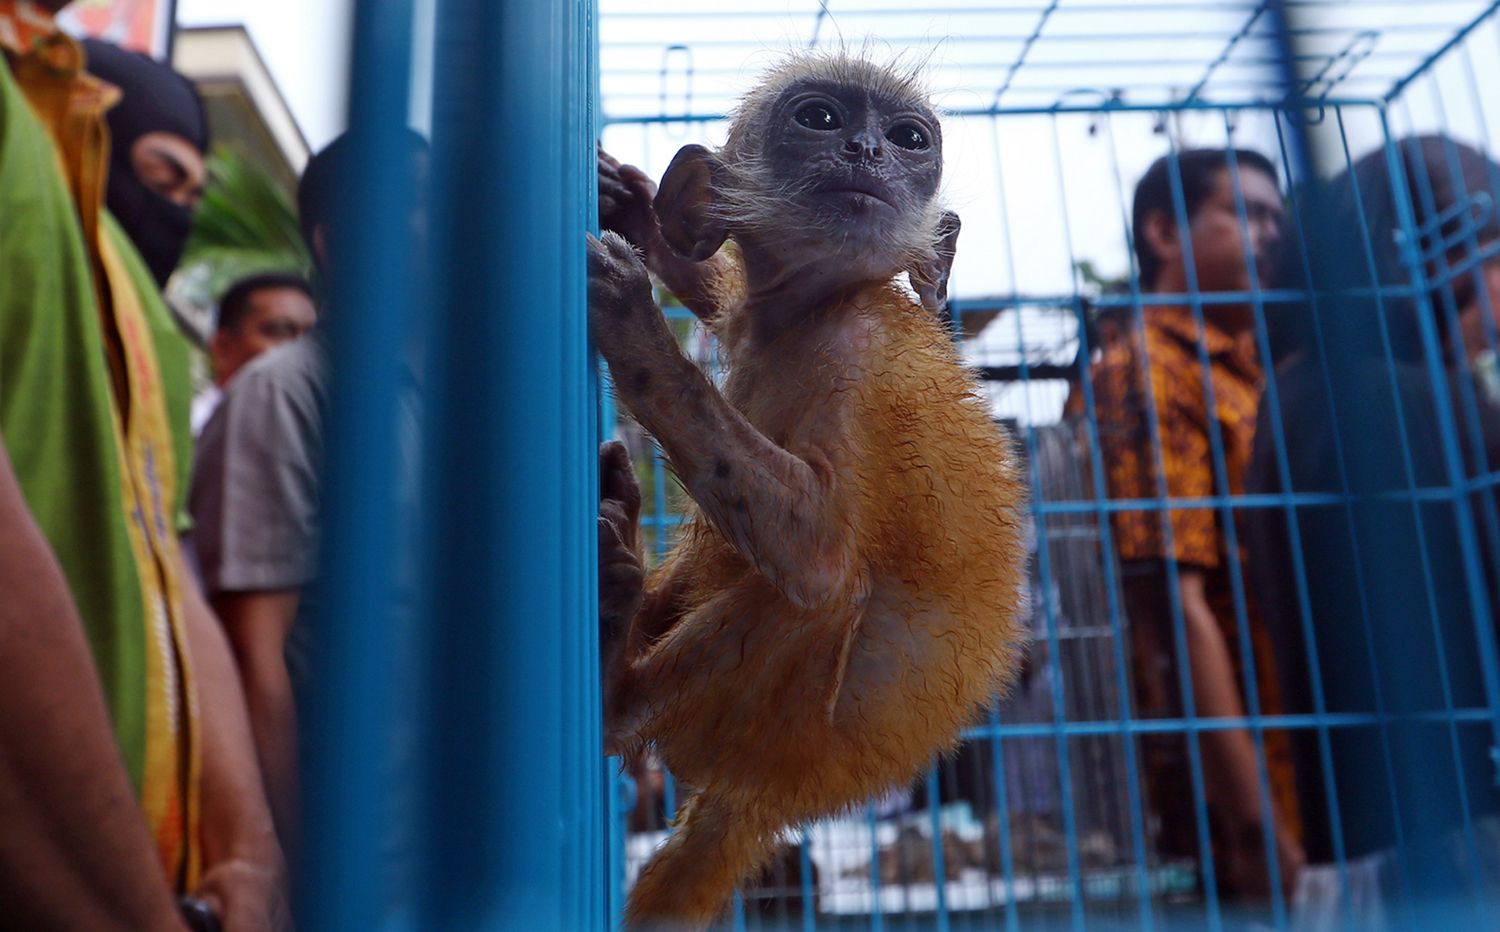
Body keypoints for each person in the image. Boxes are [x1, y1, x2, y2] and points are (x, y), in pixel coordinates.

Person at [0, 2, 285, 928]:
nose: (179, 215)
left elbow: (167, 561)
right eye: (161, 176)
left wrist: (248, 847)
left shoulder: (128, 282)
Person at [1246, 135, 1500, 923]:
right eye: (1487, 253)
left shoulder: (1293, 395)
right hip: (1459, 838)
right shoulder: (1413, 400)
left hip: (1357, 842)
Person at [188, 128, 427, 859]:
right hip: (350, 856)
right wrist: (303, 857)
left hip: (433, 848)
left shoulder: (426, 400)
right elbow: (249, 654)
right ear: (335, 244)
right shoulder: (281, 395)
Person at [1089, 147, 1303, 899]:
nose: (1269, 235)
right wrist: (1253, 820)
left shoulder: (1256, 367)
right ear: (1164, 233)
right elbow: (1169, 608)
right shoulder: (1144, 370)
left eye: (1277, 217)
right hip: (1241, 785)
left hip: (1309, 749)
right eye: (1243, 213)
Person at [192, 272, 318, 433]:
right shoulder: (182, 441)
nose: (302, 350)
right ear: (223, 348)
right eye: (281, 331)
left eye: (311, 336)